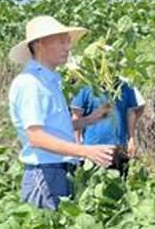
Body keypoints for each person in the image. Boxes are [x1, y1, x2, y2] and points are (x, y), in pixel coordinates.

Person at [8, 16, 115, 210]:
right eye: (61, 41)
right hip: (45, 174)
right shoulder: (31, 83)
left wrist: (91, 119)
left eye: (68, 41)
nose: (68, 47)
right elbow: (36, 138)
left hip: (58, 171)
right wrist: (86, 151)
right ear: (39, 44)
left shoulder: (49, 82)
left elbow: (54, 127)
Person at [71, 78, 143, 179]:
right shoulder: (85, 86)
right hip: (92, 148)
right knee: (92, 185)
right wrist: (77, 146)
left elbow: (130, 113)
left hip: (118, 149)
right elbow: (76, 116)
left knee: (117, 187)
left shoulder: (125, 87)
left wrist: (131, 139)